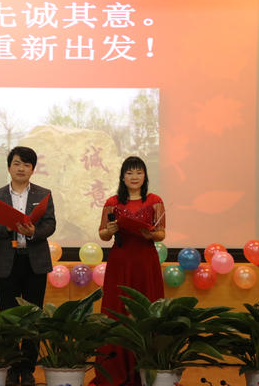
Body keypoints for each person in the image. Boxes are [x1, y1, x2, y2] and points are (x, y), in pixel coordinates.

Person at [0, 146, 56, 386]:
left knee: (32, 318)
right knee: (9, 317)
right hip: (7, 263)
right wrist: (7, 226)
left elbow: (50, 225)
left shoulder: (44, 194)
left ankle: (28, 368)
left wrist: (33, 232)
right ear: (9, 167)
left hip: (35, 263)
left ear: (33, 169)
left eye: (26, 164)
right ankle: (12, 368)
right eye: (17, 163)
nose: (21, 168)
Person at [89, 156, 166, 386]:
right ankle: (116, 369)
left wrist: (152, 234)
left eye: (139, 172)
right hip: (120, 262)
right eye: (129, 172)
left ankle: (146, 371)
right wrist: (111, 229)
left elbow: (161, 234)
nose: (134, 177)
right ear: (123, 177)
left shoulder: (155, 201)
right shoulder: (112, 202)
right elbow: (103, 234)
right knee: (117, 309)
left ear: (145, 176)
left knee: (146, 310)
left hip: (145, 261)